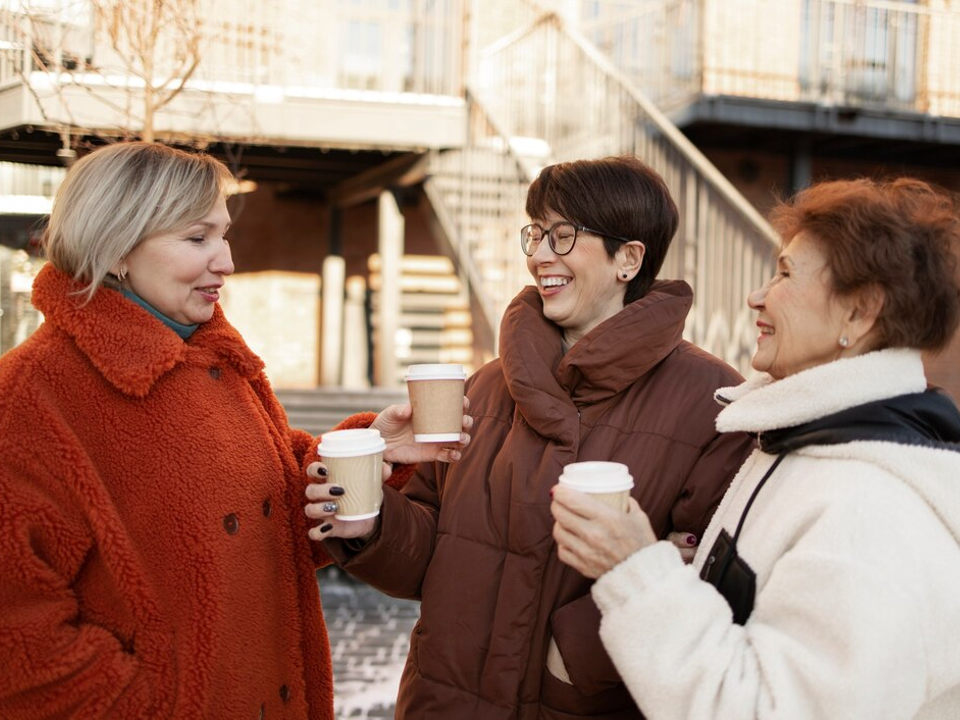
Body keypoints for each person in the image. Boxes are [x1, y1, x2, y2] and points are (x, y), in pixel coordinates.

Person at [0, 141, 467, 719]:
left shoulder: (214, 357)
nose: (225, 261)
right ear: (116, 247)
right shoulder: (33, 397)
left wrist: (372, 449)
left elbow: (258, 511)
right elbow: (18, 634)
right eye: (197, 239)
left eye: (222, 235)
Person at [304, 155, 755, 718]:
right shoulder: (486, 387)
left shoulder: (711, 404)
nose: (539, 253)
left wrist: (572, 656)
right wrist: (371, 518)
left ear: (628, 259)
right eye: (536, 233)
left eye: (563, 235)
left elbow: (708, 577)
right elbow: (429, 559)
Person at [550, 176, 960, 719]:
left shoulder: (873, 509)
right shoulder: (802, 442)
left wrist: (635, 570)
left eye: (786, 273)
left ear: (860, 312)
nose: (757, 295)